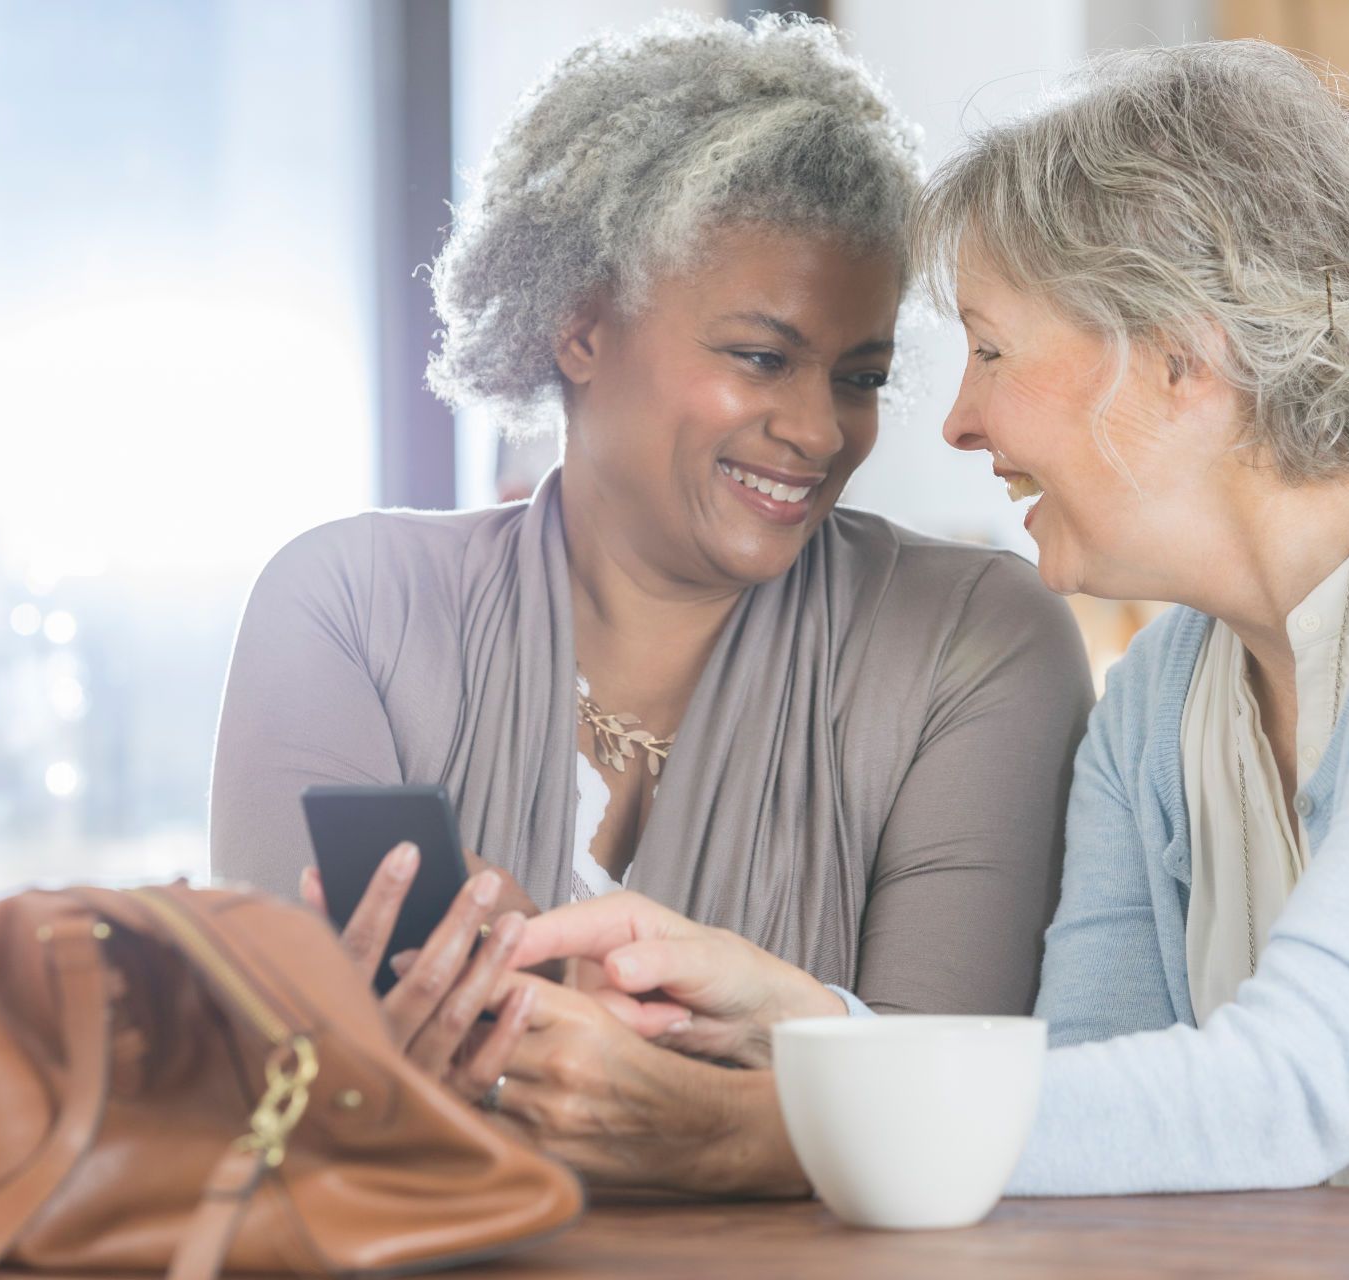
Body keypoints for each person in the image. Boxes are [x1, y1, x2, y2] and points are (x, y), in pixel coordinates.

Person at [512, 39, 1349, 1201]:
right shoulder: (1154, 705)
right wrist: (803, 1023)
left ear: (1182, 355)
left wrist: (766, 1131)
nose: (958, 422)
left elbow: (1306, 1077)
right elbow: (1092, 1108)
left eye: (990, 349)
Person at [209, 13, 1092, 1192]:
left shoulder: (976, 643)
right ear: (581, 325)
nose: (822, 431)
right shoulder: (350, 608)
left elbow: (955, 1124)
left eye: (860, 375)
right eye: (762, 356)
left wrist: (548, 1038)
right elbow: (288, 1077)